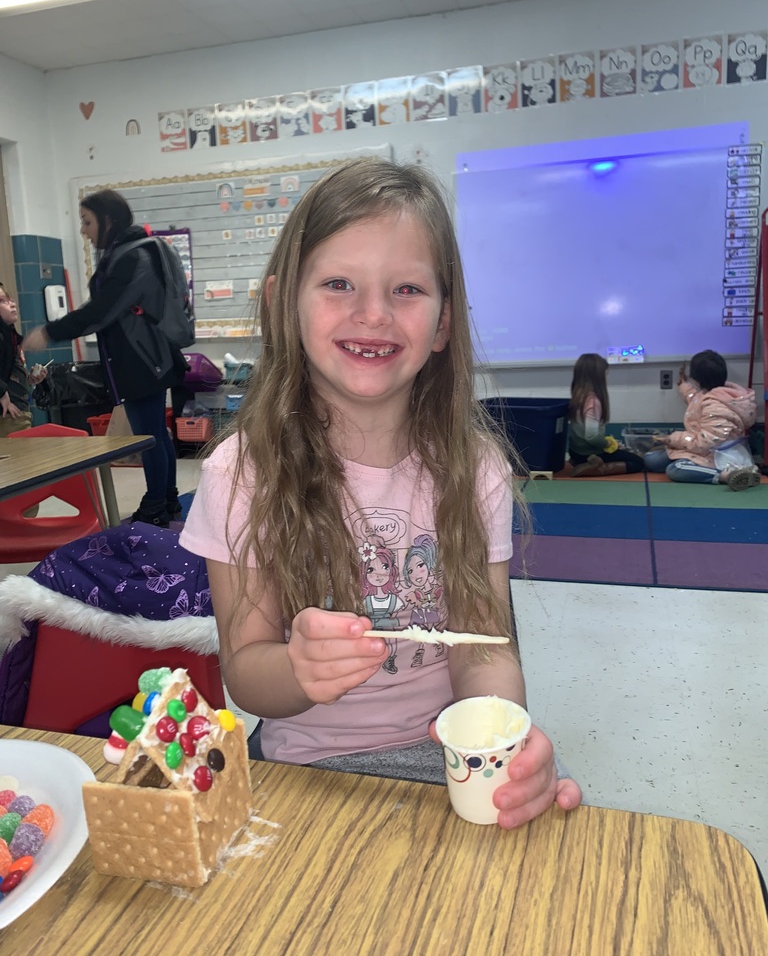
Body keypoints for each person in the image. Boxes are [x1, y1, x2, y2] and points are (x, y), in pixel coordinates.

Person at [180, 157, 581, 829]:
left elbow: (485, 648)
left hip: (447, 758)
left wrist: (505, 738)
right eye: (339, 283)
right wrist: (298, 668)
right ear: (283, 302)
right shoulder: (239, 474)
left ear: (444, 322)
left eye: (406, 290)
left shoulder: (475, 467)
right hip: (308, 767)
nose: (372, 314)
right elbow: (246, 672)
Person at [22, 190, 188, 526]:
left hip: (144, 359)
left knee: (149, 436)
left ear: (108, 220)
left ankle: (157, 505)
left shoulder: (132, 256)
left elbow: (102, 311)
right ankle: (165, 500)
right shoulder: (128, 251)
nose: (83, 230)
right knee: (155, 433)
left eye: (87, 221)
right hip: (150, 357)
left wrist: (50, 332)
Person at [644, 350, 759, 490]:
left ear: (697, 380)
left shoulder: (716, 406)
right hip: (701, 450)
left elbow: (705, 442)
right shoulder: (711, 395)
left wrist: (672, 439)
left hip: (718, 455)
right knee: (651, 459)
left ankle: (727, 475)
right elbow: (695, 400)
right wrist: (684, 385)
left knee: (675, 469)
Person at [568, 353, 644, 476]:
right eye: (605, 374)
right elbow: (592, 437)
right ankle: (596, 467)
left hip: (575, 451)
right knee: (638, 462)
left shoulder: (578, 396)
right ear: (597, 377)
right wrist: (609, 444)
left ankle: (580, 462)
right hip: (588, 454)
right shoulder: (593, 401)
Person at [0, 282, 47, 437]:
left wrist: (30, 378)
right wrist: (2, 393)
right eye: (2, 301)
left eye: (10, 299)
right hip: (8, 413)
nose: (12, 304)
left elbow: (12, 370)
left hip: (18, 407)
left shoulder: (11, 336)